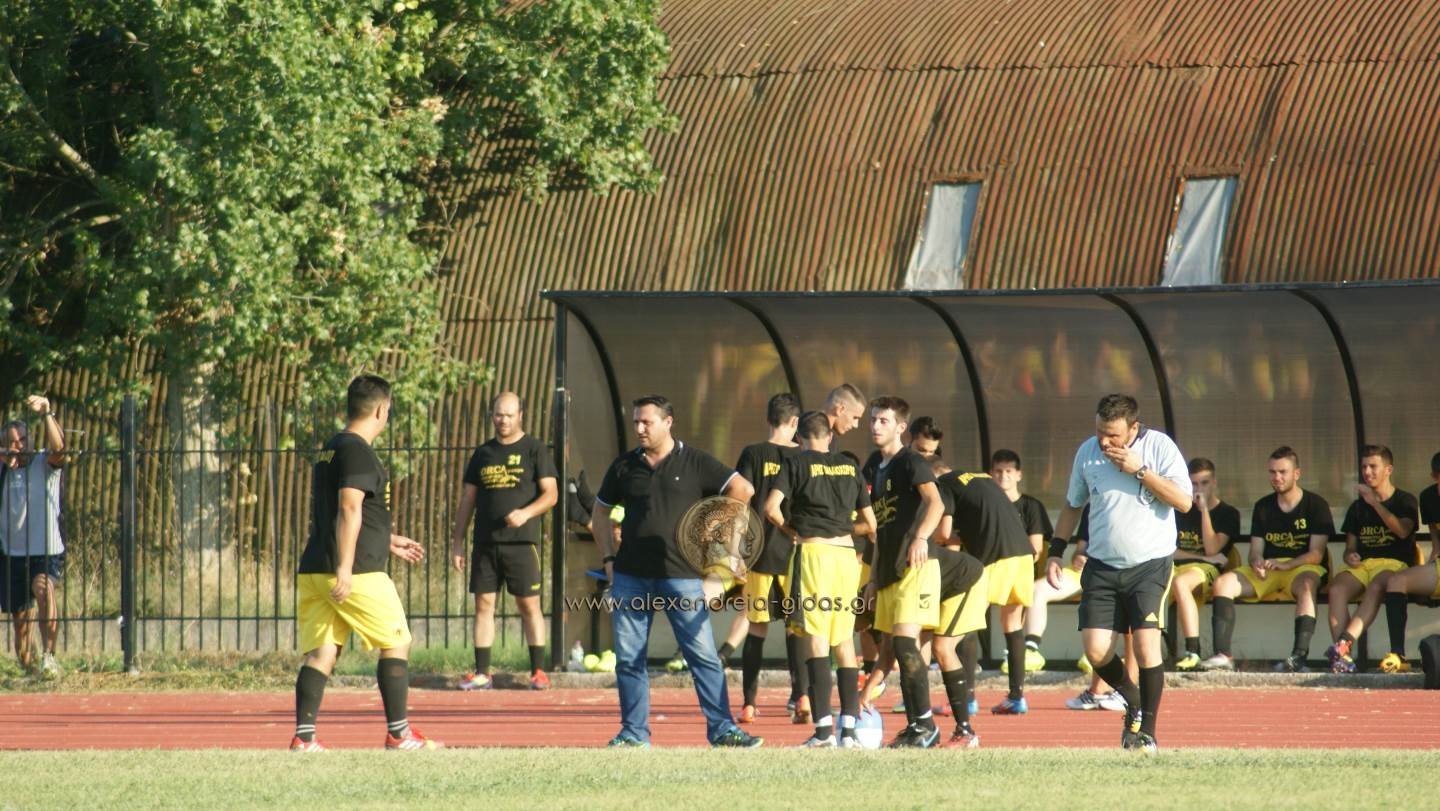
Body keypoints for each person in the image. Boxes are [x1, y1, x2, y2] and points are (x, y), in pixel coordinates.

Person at [591, 395, 761, 748]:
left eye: (646, 422)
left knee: (703, 657)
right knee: (629, 659)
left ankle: (723, 730)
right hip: (630, 577)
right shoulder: (624, 466)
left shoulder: (695, 461)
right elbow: (599, 514)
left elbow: (743, 490)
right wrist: (608, 559)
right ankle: (634, 734)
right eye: (636, 422)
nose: (639, 428)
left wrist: (721, 556)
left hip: (683, 578)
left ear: (668, 422)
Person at [291, 375, 437, 752]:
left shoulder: (332, 447)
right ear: (381, 410)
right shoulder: (358, 451)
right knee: (397, 641)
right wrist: (345, 567)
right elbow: (349, 508)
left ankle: (304, 738)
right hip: (356, 571)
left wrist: (387, 539)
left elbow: (343, 514)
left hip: (315, 568)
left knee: (323, 651)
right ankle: (399, 733)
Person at [1046, 394, 1191, 752]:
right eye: (1099, 431)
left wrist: (1140, 471)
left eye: (1112, 434)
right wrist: (1055, 552)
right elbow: (1072, 505)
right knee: (1096, 651)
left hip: (1150, 565)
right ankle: (1133, 699)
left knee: (1145, 646)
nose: (1104, 441)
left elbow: (1184, 501)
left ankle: (1148, 734)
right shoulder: (1087, 452)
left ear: (1133, 428)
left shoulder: (1159, 447)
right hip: (1101, 565)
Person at [764, 410, 876, 747]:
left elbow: (771, 508)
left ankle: (824, 731)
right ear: (830, 436)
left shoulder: (795, 463)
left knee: (815, 638)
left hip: (813, 554)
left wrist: (791, 529)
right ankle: (849, 731)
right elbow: (870, 524)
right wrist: (842, 528)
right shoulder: (850, 466)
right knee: (844, 641)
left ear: (799, 437)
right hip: (846, 557)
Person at [450, 392, 558, 691]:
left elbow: (551, 494)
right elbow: (468, 498)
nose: (503, 420)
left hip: (521, 543)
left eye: (509, 415)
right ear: (492, 415)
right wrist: (457, 542)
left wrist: (526, 513)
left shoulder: (535, 449)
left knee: (528, 604)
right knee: (483, 604)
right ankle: (482, 672)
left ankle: (538, 670)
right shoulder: (483, 453)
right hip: (485, 543)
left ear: (520, 415)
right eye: (499, 414)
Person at [1202, 447, 1334, 673]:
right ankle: (1223, 655)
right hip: (1270, 570)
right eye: (1272, 472)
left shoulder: (1316, 505)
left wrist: (1287, 564)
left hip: (1301, 568)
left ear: (1297, 474)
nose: (1277, 477)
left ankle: (1298, 657)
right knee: (1222, 583)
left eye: (1283, 472)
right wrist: (1256, 562)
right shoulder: (1263, 506)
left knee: (1306, 585)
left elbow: (1316, 555)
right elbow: (1255, 551)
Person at [862, 395, 945, 748]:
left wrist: (921, 537)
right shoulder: (873, 465)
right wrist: (872, 577)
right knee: (891, 648)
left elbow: (936, 502)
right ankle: (915, 725)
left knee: (906, 644)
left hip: (916, 567)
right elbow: (877, 529)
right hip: (888, 570)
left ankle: (925, 725)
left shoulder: (910, 461)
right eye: (873, 419)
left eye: (883, 420)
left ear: (900, 427)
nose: (875, 426)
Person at [930, 463, 1034, 715]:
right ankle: (1016, 697)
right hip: (1023, 554)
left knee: (966, 623)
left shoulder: (944, 484)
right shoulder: (981, 477)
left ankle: (967, 699)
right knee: (1012, 623)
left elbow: (944, 533)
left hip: (995, 557)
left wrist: (922, 537)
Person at [734, 393, 806, 724]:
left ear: (768, 419)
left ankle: (749, 704)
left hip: (759, 553)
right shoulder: (804, 456)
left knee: (757, 628)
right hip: (794, 550)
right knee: (796, 627)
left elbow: (740, 502)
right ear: (795, 422)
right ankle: (802, 696)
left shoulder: (752, 453)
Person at [1326, 446, 1422, 673]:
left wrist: (1375, 504)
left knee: (1378, 585)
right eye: (1364, 467)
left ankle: (1343, 643)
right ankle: (1343, 658)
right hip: (1363, 565)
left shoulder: (1405, 500)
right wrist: (1350, 556)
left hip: (1394, 565)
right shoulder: (1357, 507)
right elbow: (1350, 546)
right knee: (1336, 589)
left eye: (1373, 466)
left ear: (1388, 470)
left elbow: (1402, 531)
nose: (1367, 472)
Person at [0, 395, 68, 676]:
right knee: (21, 622)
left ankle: (49, 657)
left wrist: (47, 413)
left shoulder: (44, 463)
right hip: (12, 554)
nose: (19, 446)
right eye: (12, 442)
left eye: (22, 440)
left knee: (43, 589)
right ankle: (29, 671)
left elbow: (60, 449)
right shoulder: (3, 470)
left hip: (46, 550)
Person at [1169, 458, 1240, 671]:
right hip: (1181, 565)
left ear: (1214, 483)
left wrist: (1204, 511)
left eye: (1204, 483)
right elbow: (1168, 550)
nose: (1198, 489)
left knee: (1181, 582)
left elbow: (1212, 549)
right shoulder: (1178, 510)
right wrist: (1204, 558)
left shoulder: (1228, 513)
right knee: (1142, 582)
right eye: (1193, 484)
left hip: (1207, 571)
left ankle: (1193, 651)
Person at [990, 449, 1052, 673]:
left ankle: (1017, 653)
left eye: (1008, 471)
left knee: (1014, 604)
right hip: (988, 570)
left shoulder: (1031, 506)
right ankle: (965, 657)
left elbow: (1036, 549)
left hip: (1019, 570)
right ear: (991, 474)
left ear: (1019, 474)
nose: (1003, 476)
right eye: (998, 471)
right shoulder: (986, 504)